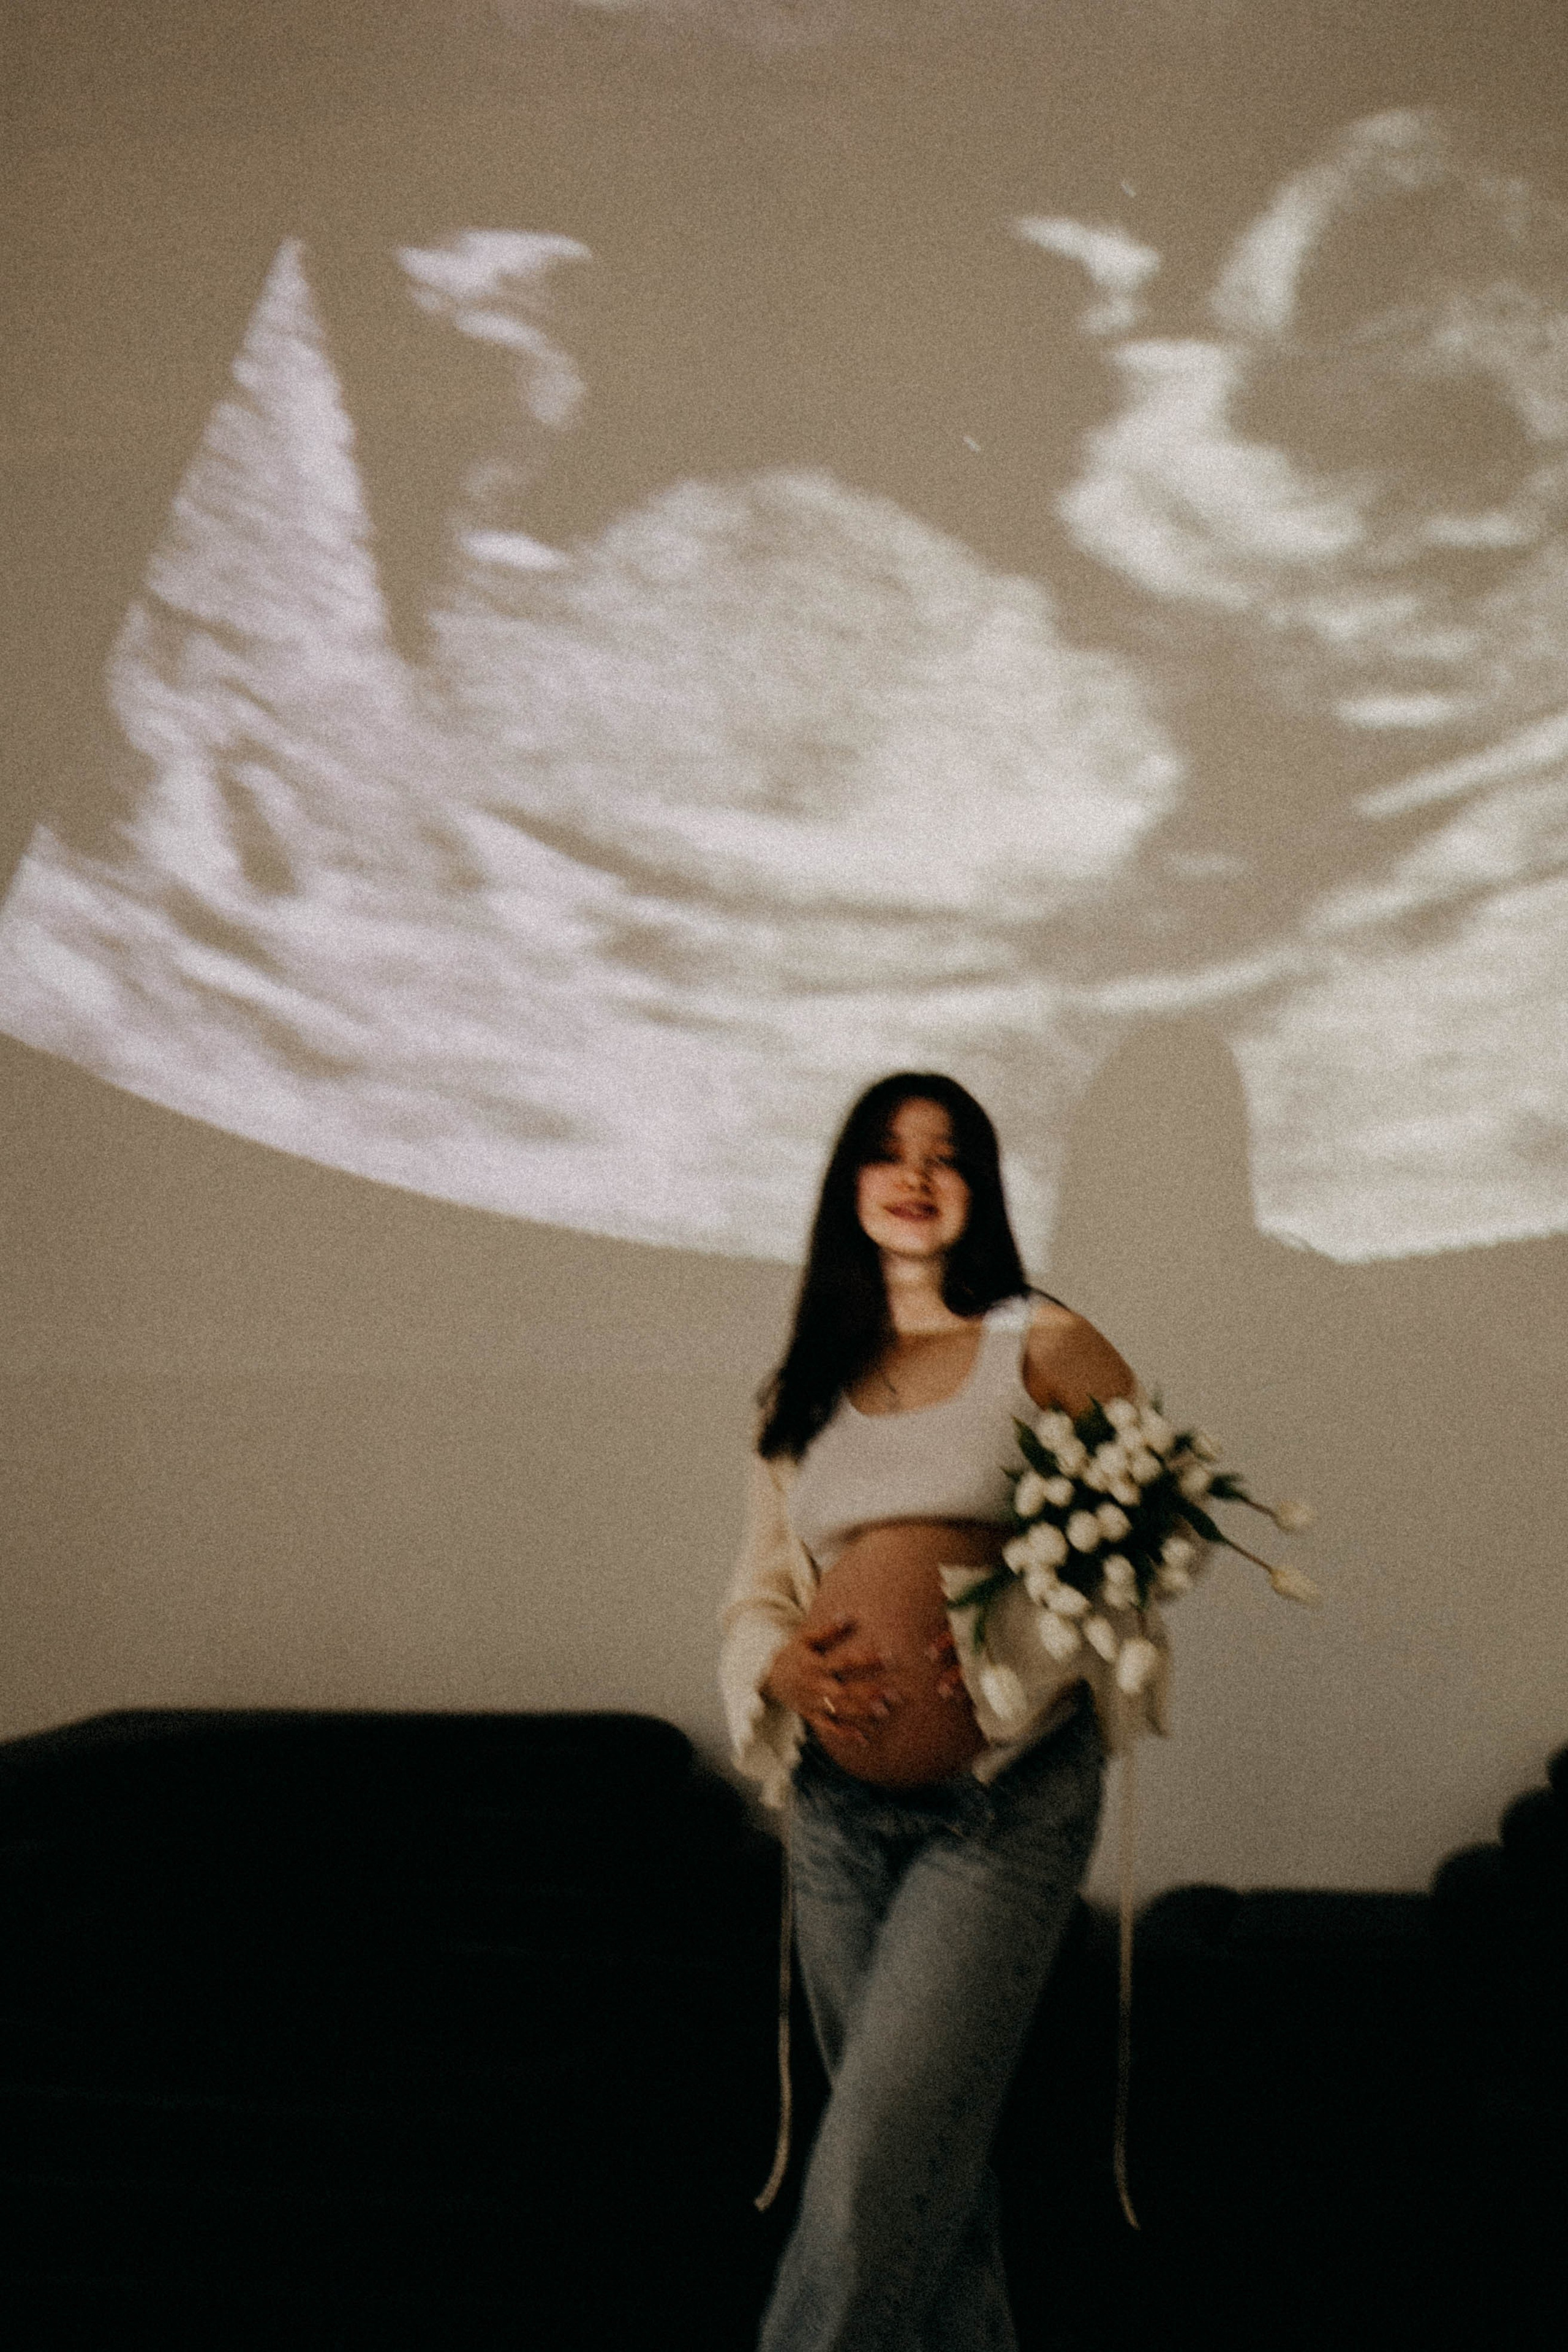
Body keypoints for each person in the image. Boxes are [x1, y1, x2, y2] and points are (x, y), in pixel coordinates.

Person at [718, 1071, 1170, 2352]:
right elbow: (752, 1600)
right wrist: (784, 1673)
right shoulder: (796, 1389)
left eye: (944, 1155)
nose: (913, 1176)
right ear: (848, 1186)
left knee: (872, 2170)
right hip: (835, 1815)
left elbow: (1133, 1570)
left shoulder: (1043, 1342)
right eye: (884, 1152)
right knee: (929, 2181)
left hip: (1000, 1807)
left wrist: (994, 1652)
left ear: (976, 1188)